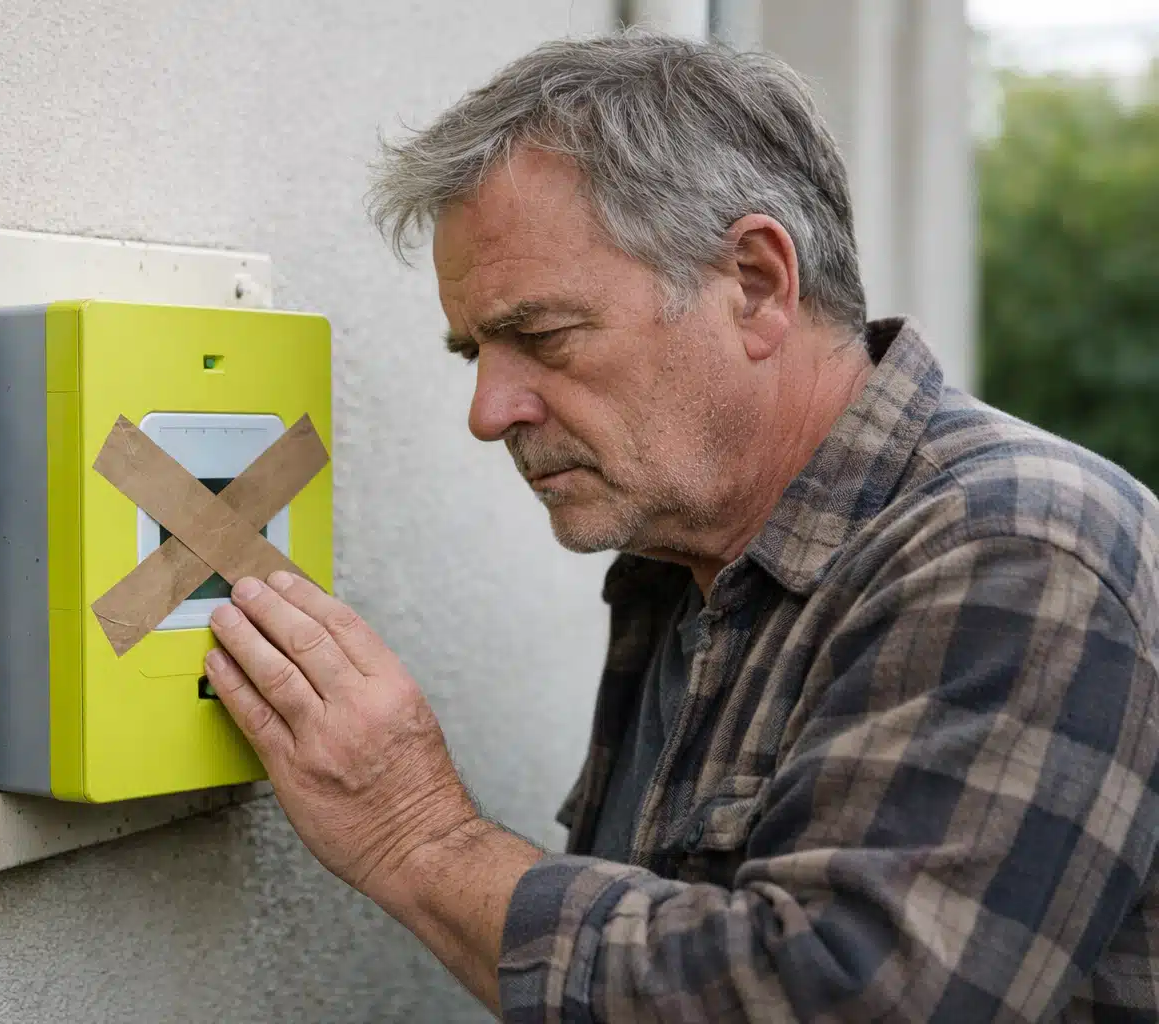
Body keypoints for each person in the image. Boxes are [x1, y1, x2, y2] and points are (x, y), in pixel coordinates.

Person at [199, 32, 1159, 1021]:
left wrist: (421, 838)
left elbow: (844, 999)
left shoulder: (1022, 548)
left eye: (542, 335)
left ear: (756, 284)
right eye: (473, 353)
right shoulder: (686, 562)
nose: (489, 412)